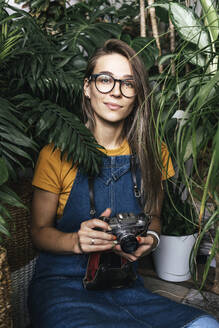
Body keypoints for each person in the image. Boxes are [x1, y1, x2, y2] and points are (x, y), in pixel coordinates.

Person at [28, 39, 219, 328]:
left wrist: (151, 240)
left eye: (127, 83)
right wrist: (76, 242)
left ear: (137, 94)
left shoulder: (154, 154)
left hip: (125, 285)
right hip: (62, 285)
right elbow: (38, 232)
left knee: (206, 324)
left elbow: (153, 217)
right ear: (87, 87)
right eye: (105, 79)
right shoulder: (55, 154)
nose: (115, 91)